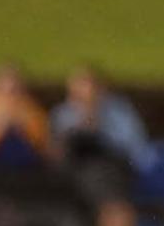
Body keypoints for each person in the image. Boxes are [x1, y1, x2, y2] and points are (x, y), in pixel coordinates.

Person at [50, 66, 154, 201]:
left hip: (113, 172)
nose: (86, 98)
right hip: (76, 174)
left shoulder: (119, 111)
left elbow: (137, 149)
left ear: (101, 90)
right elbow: (55, 152)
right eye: (78, 94)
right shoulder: (62, 114)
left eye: (91, 90)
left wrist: (100, 128)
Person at [0, 64, 49, 169]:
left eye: (14, 89)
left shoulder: (30, 108)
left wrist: (22, 127)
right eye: (3, 88)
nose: (9, 95)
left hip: (27, 166)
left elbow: (42, 143)